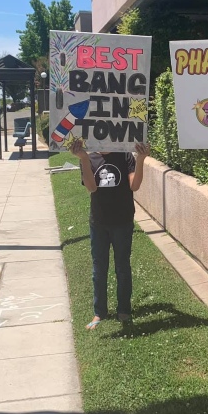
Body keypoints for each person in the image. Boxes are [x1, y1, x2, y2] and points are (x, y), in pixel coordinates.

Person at [70, 140, 151, 330]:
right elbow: (91, 188)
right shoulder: (89, 158)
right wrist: (83, 159)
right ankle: (99, 312)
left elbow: (134, 186)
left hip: (123, 221)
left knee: (122, 266)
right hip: (99, 223)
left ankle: (124, 309)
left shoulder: (125, 155)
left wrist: (141, 159)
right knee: (99, 268)